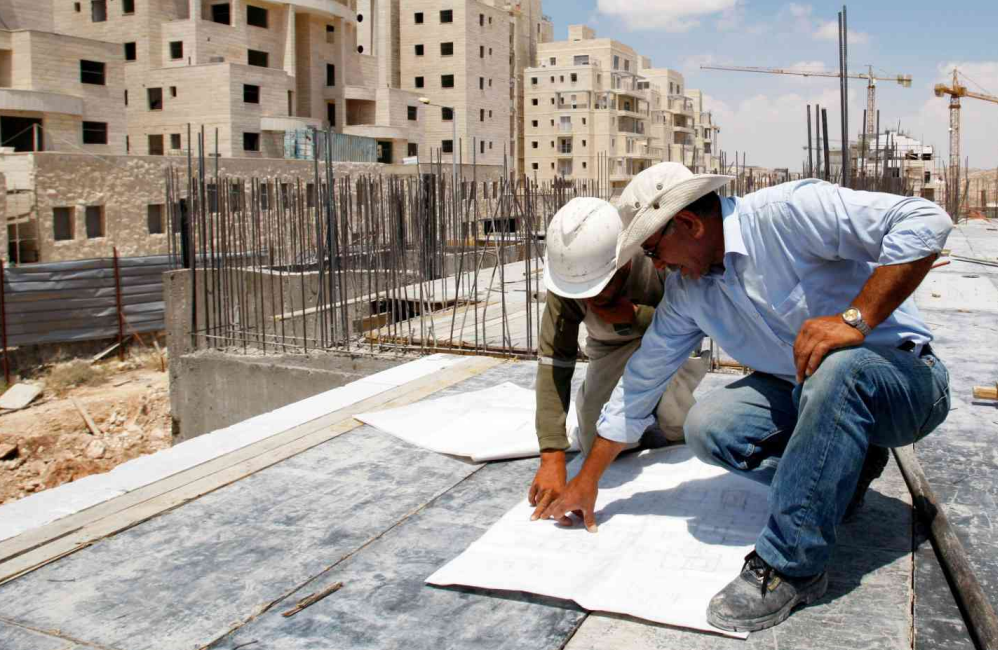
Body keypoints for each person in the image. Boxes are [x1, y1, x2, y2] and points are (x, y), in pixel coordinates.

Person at [535, 163, 952, 632]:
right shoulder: (689, 292)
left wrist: (855, 319)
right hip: (807, 390)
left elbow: (925, 220)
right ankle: (840, 475)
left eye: (654, 250)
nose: (656, 266)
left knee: (839, 368)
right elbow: (640, 382)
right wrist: (587, 478)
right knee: (707, 426)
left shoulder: (788, 214)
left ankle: (792, 565)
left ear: (690, 224)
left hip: (905, 381)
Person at [529, 195, 720, 516]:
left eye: (602, 285)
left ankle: (666, 409)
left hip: (672, 345)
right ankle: (639, 415)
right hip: (609, 349)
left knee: (681, 430)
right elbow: (553, 362)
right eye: (586, 290)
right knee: (595, 441)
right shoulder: (571, 275)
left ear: (625, 260)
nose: (595, 296)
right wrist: (552, 456)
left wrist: (634, 315)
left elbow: (697, 324)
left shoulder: (659, 258)